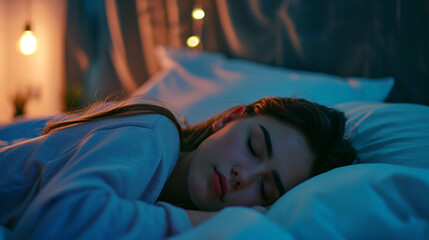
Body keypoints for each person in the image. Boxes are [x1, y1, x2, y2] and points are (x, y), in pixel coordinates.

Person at [0, 97, 356, 239]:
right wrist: (192, 219)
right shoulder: (155, 135)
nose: (242, 177)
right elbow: (55, 222)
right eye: (253, 147)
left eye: (264, 189)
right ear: (228, 118)